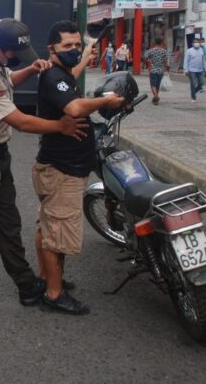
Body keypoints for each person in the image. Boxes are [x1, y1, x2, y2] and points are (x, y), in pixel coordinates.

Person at [0, 18, 88, 317]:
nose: (16, 60)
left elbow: (7, 80)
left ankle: (26, 285)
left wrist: (29, 69)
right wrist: (60, 126)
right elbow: (20, 122)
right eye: (14, 56)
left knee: (8, 226)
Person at [33, 20, 126, 315]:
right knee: (56, 232)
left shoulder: (62, 73)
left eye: (76, 45)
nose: (73, 50)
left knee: (48, 226)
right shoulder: (51, 77)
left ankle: (46, 277)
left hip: (62, 167)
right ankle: (54, 293)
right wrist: (105, 101)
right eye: (67, 46)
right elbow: (73, 108)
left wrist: (86, 54)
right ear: (52, 49)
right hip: (62, 170)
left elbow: (71, 74)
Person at [144, 38, 169, 105]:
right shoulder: (164, 51)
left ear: (154, 42)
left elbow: (145, 57)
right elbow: (165, 61)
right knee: (158, 85)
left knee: (153, 85)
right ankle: (156, 98)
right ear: (161, 43)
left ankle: (155, 96)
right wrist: (166, 69)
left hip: (153, 70)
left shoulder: (151, 51)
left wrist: (148, 61)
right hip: (161, 70)